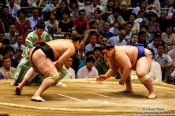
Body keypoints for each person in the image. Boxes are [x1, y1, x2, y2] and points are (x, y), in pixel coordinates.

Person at [15, 36, 83, 102]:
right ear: (77, 42)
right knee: (54, 75)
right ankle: (36, 95)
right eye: (81, 44)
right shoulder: (72, 48)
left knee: (35, 69)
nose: (81, 47)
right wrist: (55, 74)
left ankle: (20, 86)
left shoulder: (65, 41)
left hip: (33, 51)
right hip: (41, 54)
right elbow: (59, 62)